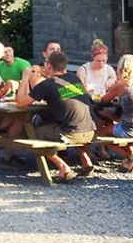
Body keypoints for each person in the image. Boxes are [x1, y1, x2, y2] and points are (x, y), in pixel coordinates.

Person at [15, 50, 96, 182]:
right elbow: (58, 88)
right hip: (91, 131)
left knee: (35, 133)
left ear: (49, 66)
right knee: (73, 122)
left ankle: (62, 167)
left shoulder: (46, 85)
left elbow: (20, 103)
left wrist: (25, 78)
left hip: (72, 134)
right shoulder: (74, 78)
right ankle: (86, 162)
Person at [94, 54, 133, 172]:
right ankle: (130, 153)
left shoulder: (121, 84)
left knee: (99, 134)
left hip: (129, 127)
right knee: (107, 116)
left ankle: (129, 155)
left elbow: (103, 100)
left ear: (122, 67)